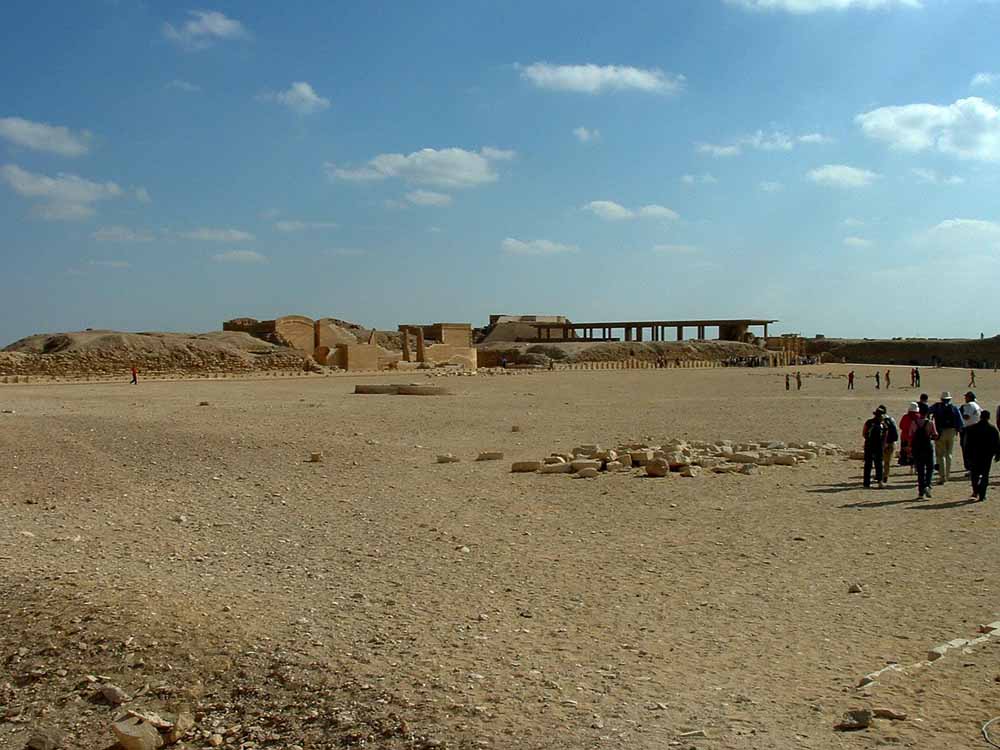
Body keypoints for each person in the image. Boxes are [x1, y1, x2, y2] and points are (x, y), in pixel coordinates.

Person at [964, 410, 1000, 501]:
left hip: (974, 455)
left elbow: (967, 444)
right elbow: (997, 444)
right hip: (987, 456)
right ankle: (982, 495)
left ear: (980, 416)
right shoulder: (992, 429)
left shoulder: (972, 429)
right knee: (985, 475)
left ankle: (976, 490)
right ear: (988, 418)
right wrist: (997, 455)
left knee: (974, 474)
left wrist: (967, 455)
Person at [929, 391, 963, 483]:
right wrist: (958, 431)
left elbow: (928, 411)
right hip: (951, 432)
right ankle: (947, 475)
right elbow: (960, 422)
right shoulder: (954, 408)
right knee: (949, 454)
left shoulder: (937, 406)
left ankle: (942, 476)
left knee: (940, 455)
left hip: (940, 431)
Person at [911, 402, 939, 499]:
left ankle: (920, 492)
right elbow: (935, 435)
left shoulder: (914, 422)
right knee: (930, 468)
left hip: (917, 448)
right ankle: (927, 485)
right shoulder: (930, 423)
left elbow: (911, 434)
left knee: (920, 470)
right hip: (927, 447)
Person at [862, 408, 888, 489]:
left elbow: (864, 433)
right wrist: (883, 445)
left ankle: (866, 483)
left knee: (868, 464)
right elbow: (885, 437)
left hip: (869, 445)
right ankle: (880, 482)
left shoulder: (869, 422)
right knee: (879, 464)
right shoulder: (883, 425)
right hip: (878, 446)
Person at [960, 391, 983, 472]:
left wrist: (960, 415)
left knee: (967, 448)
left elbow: (966, 416)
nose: (965, 398)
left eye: (966, 397)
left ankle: (970, 467)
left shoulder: (968, 405)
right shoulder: (977, 405)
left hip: (969, 428)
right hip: (977, 427)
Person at [877, 405, 899, 480]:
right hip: (891, 442)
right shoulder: (891, 419)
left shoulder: (879, 420)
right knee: (887, 461)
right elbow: (895, 431)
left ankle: (879, 475)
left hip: (881, 443)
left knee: (879, 460)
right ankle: (885, 475)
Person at [898, 402, 920, 471]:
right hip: (915, 438)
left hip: (904, 437)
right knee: (915, 452)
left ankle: (906, 462)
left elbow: (901, 426)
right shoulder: (919, 417)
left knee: (905, 450)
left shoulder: (905, 417)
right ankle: (914, 464)